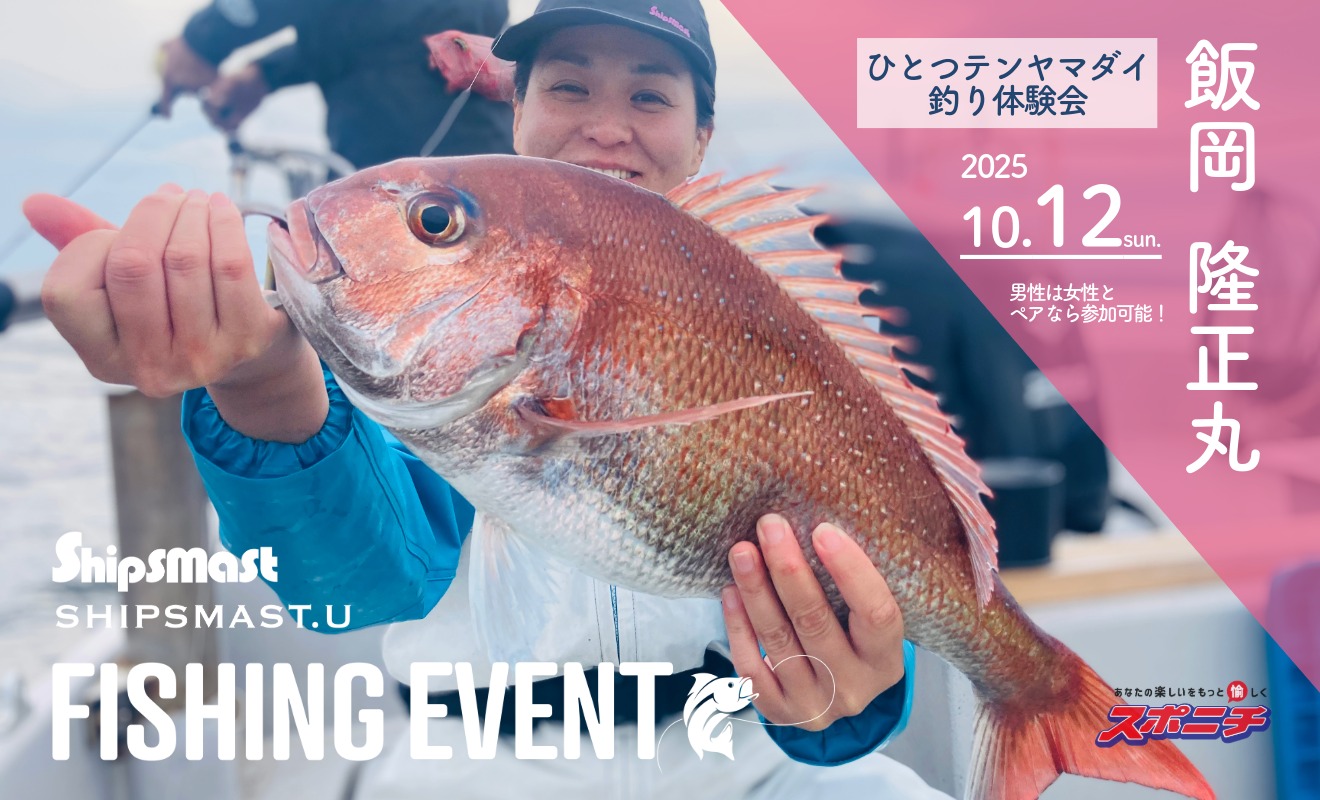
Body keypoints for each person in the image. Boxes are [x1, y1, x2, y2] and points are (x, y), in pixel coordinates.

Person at [26, 1, 949, 796]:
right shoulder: (430, 331)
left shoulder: (778, 313)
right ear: (516, 111)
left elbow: (869, 525)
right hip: (468, 764)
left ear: (702, 136)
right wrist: (262, 383)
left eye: (651, 96)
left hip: (743, 759)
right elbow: (351, 583)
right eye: (569, 88)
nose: (608, 126)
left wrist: (848, 699)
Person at [158, 0, 515, 165]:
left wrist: (204, 39)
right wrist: (267, 73)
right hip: (468, 131)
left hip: (412, 131)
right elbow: (375, 29)